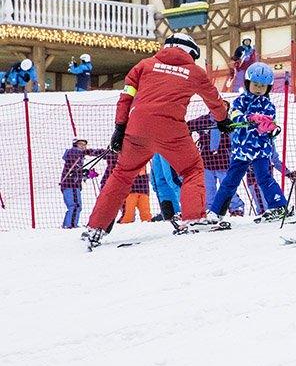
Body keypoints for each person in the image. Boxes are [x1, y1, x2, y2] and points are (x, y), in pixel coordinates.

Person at [81, 33, 230, 247]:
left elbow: (126, 97)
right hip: (172, 130)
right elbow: (213, 99)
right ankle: (193, 219)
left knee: (122, 175)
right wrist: (223, 119)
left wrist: (119, 128)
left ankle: (96, 226)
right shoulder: (194, 72)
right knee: (192, 169)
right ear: (190, 52)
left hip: (137, 128)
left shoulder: (144, 65)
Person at [206, 62, 288, 223]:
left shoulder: (268, 105)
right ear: (248, 83)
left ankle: (278, 206)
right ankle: (216, 211)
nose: (258, 89)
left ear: (268, 88)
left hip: (260, 149)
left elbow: (271, 123)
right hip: (241, 149)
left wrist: (269, 127)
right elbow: (235, 116)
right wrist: (249, 118)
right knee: (231, 180)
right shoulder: (240, 101)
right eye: (256, 85)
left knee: (264, 177)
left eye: (263, 86)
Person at [187, 111, 245, 216]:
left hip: (224, 163)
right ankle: (210, 210)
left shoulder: (229, 121)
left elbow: (238, 137)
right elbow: (188, 126)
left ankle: (236, 208)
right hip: (206, 162)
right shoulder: (203, 120)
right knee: (209, 191)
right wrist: (190, 143)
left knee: (227, 187)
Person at [60, 138, 104, 228]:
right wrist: (99, 152)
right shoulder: (73, 152)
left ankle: (69, 225)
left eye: (84, 145)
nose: (83, 146)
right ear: (75, 145)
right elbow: (75, 154)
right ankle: (70, 226)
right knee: (75, 206)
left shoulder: (78, 158)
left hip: (73, 185)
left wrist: (87, 174)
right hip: (70, 185)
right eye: (80, 144)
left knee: (76, 206)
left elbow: (76, 171)